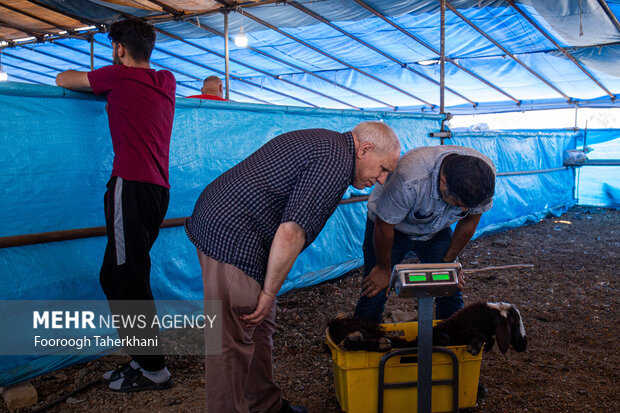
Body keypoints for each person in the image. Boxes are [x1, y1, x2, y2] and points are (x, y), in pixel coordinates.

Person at [185, 122, 401, 413]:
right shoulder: (334, 163)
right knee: (232, 335)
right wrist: (269, 292)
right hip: (230, 235)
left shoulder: (330, 146)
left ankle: (264, 405)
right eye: (383, 168)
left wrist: (268, 296)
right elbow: (291, 232)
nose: (382, 179)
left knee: (260, 324)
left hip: (239, 228)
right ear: (365, 149)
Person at [55, 18, 176, 392]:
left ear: (119, 49)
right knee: (114, 275)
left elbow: (63, 79)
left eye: (114, 47)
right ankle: (141, 358)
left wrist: (108, 72)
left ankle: (155, 369)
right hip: (157, 191)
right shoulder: (166, 81)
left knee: (128, 277)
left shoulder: (117, 77)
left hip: (131, 187)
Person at [354, 145, 496, 323]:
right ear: (443, 181)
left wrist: (449, 263)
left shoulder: (483, 178)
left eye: (468, 206)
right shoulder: (409, 178)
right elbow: (384, 224)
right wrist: (383, 268)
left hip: (435, 228)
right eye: (457, 202)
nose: (464, 209)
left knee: (450, 284)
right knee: (375, 287)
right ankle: (362, 337)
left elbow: (470, 220)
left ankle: (449, 340)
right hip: (391, 227)